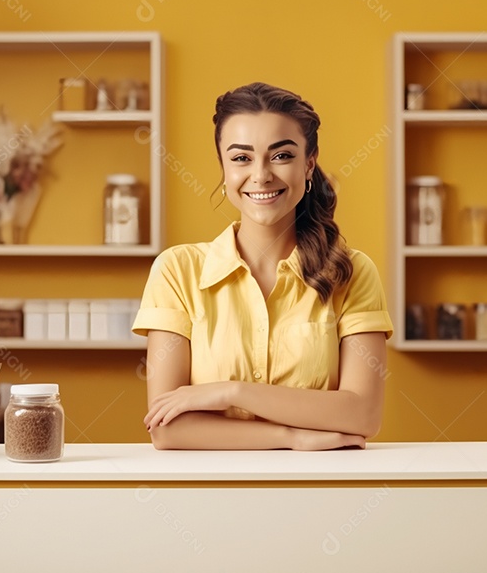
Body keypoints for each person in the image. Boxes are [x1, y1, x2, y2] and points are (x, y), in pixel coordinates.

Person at [132, 82, 393, 450]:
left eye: (281, 155)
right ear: (223, 166)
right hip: (206, 492)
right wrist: (289, 437)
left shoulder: (351, 272)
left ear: (309, 163)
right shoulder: (177, 271)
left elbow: (363, 415)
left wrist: (231, 393)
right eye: (241, 158)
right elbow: (167, 428)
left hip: (322, 488)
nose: (261, 175)